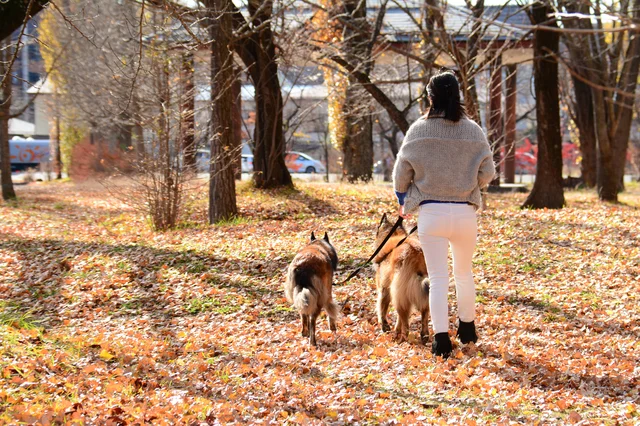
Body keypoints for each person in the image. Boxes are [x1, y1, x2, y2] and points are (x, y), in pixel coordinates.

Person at [392, 71, 496, 358]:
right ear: (457, 96)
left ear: (430, 97)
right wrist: (467, 184)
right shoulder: (473, 130)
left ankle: (441, 340)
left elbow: (401, 177)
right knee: (464, 274)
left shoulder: (418, 131)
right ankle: (467, 329)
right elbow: (488, 172)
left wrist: (404, 199)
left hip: (431, 214)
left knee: (438, 278)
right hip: (464, 214)